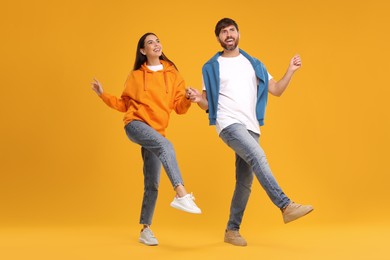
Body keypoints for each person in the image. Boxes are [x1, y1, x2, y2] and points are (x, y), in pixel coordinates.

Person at [187, 18, 313, 246]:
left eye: (231, 30)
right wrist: (198, 99)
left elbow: (276, 90)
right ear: (218, 38)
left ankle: (231, 230)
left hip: (251, 126)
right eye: (223, 32)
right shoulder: (211, 66)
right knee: (258, 156)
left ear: (238, 34)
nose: (228, 35)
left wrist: (290, 71)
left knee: (244, 182)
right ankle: (285, 205)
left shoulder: (253, 63)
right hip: (228, 124)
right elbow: (207, 103)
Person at [91, 32, 201, 246]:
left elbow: (179, 108)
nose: (156, 44)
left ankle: (145, 229)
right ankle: (181, 193)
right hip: (135, 124)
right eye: (150, 42)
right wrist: (102, 94)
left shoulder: (173, 74)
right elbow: (124, 104)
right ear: (143, 51)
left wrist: (188, 99)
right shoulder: (135, 76)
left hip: (157, 132)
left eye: (158, 41)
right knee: (166, 146)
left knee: (152, 182)